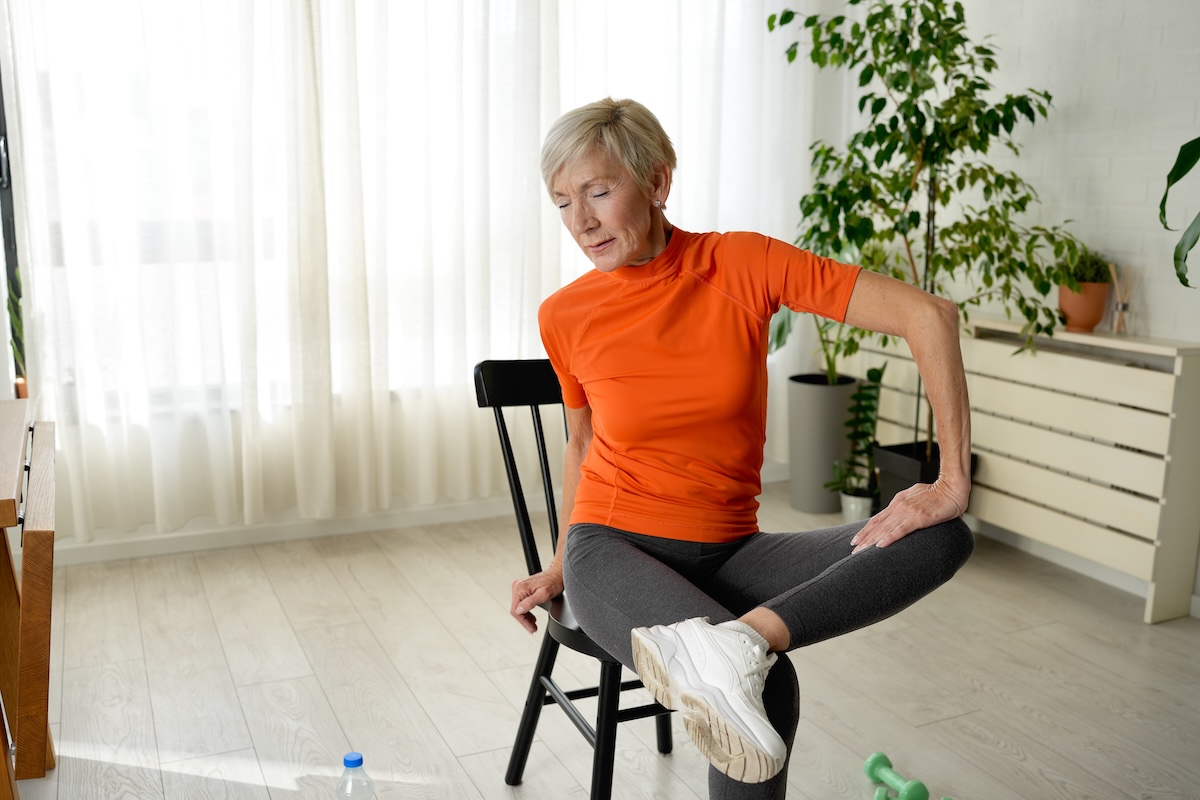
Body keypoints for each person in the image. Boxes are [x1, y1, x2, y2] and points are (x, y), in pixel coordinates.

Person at [509, 97, 975, 799]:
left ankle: (737, 642)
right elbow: (581, 444)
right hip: (610, 549)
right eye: (563, 202)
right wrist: (556, 566)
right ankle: (741, 650)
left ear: (658, 183)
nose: (581, 221)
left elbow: (928, 315)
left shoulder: (740, 264)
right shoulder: (564, 316)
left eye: (599, 191)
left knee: (942, 540)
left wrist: (949, 481)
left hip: (732, 549)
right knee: (766, 684)